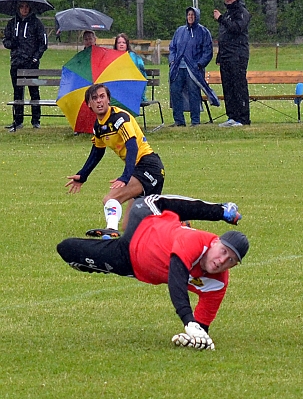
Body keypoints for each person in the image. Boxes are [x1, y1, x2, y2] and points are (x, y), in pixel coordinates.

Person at [55, 194, 246, 351]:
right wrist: (188, 321)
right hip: (146, 218)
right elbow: (176, 279)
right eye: (223, 251)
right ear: (214, 243)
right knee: (166, 204)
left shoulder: (218, 283)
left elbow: (202, 324)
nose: (222, 261)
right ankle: (221, 210)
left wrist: (197, 338)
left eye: (230, 260)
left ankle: (108, 244)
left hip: (132, 263)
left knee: (68, 250)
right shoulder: (195, 242)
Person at [65, 83, 166, 238]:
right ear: (89, 105)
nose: (99, 101)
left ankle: (111, 229)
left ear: (108, 100)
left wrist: (125, 177)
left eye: (102, 96)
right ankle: (181, 223)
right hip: (141, 169)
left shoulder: (120, 118)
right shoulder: (98, 127)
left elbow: (132, 147)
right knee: (130, 227)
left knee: (111, 198)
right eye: (94, 98)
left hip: (148, 166)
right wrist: (83, 175)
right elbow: (97, 151)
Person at [3, 1, 48, 131]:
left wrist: (35, 57)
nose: (24, 9)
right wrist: (12, 43)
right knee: (17, 92)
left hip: (31, 63)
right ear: (18, 8)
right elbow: (5, 41)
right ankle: (17, 120)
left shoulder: (36, 23)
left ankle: (36, 120)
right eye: (22, 6)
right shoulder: (12, 23)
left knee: (34, 91)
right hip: (16, 62)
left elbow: (43, 43)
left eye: (27, 6)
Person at [168, 7, 214, 127]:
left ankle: (195, 120)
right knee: (175, 91)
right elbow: (172, 47)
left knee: (194, 93)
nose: (190, 17)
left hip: (194, 68)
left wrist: (199, 64)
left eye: (193, 15)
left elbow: (207, 51)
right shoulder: (180, 31)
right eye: (188, 15)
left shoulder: (203, 32)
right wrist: (172, 60)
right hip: (178, 67)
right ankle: (179, 120)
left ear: (197, 16)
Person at [212, 0, 251, 127]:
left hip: (238, 55)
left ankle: (243, 118)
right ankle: (232, 116)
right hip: (226, 57)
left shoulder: (242, 12)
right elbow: (224, 37)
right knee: (227, 87)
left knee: (238, 86)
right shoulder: (227, 14)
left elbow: (237, 28)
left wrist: (221, 18)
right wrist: (220, 56)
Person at [114, 33, 149, 103]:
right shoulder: (112, 58)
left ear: (127, 44)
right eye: (119, 43)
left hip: (133, 86)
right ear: (116, 45)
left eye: (123, 42)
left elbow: (140, 73)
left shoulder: (133, 57)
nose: (121, 44)